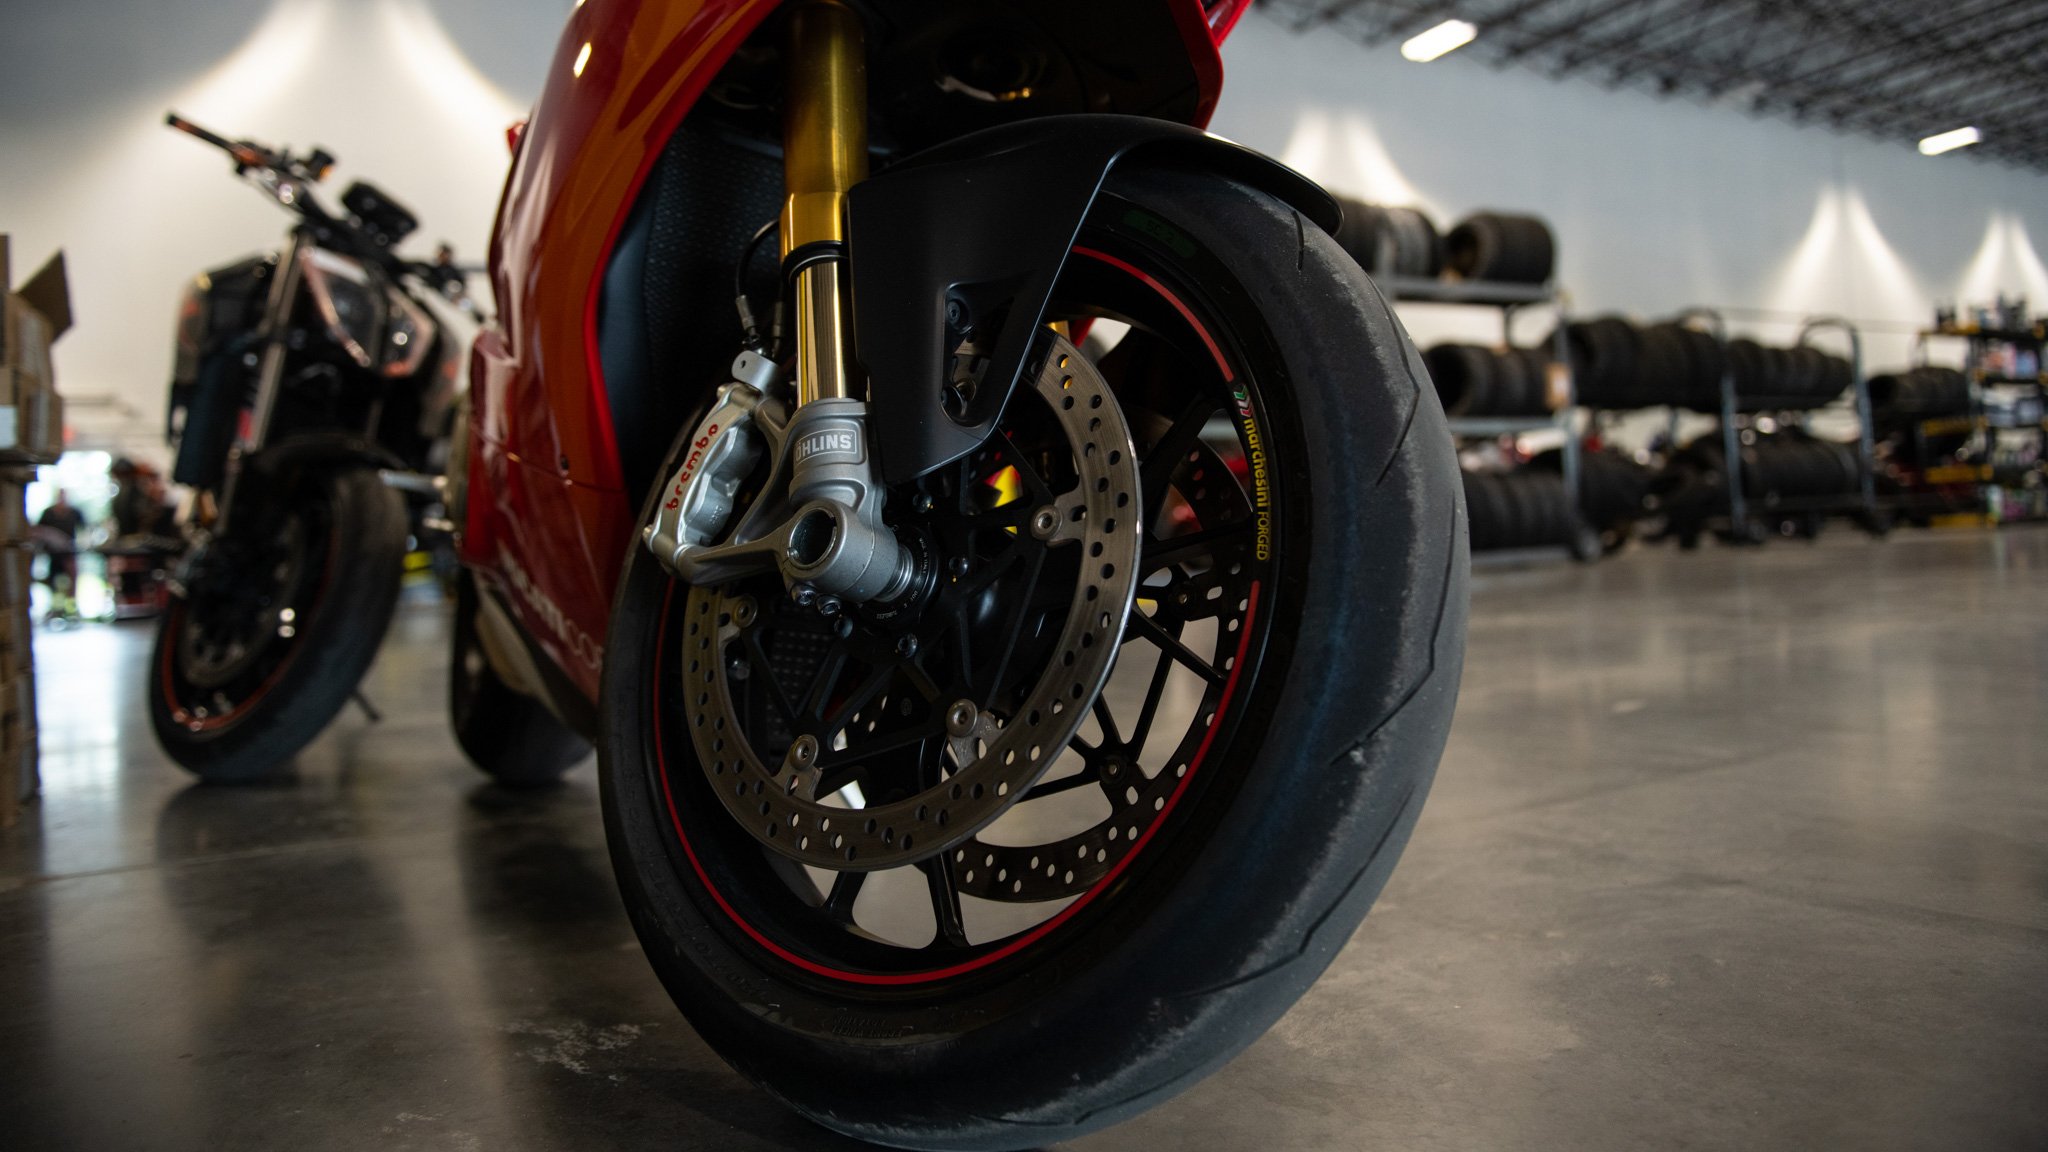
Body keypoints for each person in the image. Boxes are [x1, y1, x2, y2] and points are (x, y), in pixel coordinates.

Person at [33, 489, 84, 621]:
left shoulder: (74, 513)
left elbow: (85, 529)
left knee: (72, 575)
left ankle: (71, 605)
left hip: (69, 552)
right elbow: (38, 530)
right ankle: (55, 607)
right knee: (52, 579)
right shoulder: (48, 513)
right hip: (53, 553)